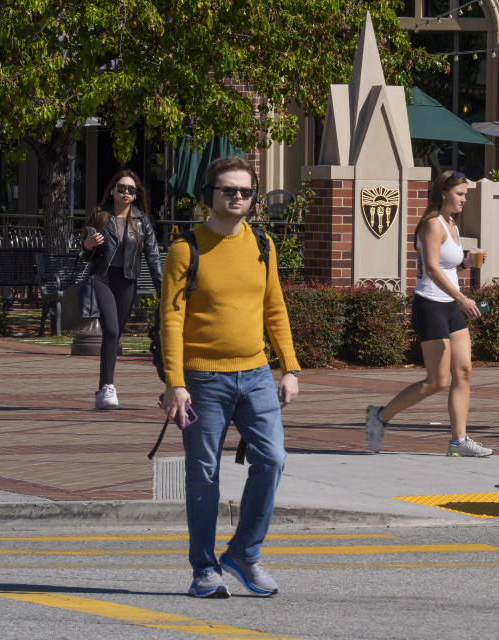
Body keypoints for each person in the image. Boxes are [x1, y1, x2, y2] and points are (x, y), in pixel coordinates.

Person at [159, 156, 301, 598]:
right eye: (228, 190)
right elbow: (171, 319)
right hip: (202, 380)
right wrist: (174, 382)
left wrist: (289, 367)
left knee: (273, 459)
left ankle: (243, 553)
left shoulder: (263, 244)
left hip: (256, 374)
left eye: (244, 191)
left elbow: (274, 308)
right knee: (203, 474)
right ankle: (204, 569)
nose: (237, 197)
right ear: (209, 196)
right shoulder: (186, 248)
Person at [365, 170, 492, 457]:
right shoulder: (432, 225)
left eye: (465, 195)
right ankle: (380, 416)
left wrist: (467, 262)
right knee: (437, 381)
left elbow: (447, 266)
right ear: (443, 194)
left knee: (464, 371)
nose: (463, 200)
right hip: (431, 305)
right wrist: (462, 298)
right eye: (460, 194)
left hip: (450, 306)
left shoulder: (451, 225)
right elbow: (432, 269)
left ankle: (458, 441)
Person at [81, 170, 163, 409]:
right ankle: (108, 387)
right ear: (112, 190)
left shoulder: (142, 221)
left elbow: (154, 258)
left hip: (128, 281)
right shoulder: (100, 216)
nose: (126, 192)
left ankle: (103, 389)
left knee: (113, 336)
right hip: (103, 277)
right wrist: (87, 246)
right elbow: (85, 253)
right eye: (122, 188)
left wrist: (164, 291)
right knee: (112, 329)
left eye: (131, 190)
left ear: (136, 195)